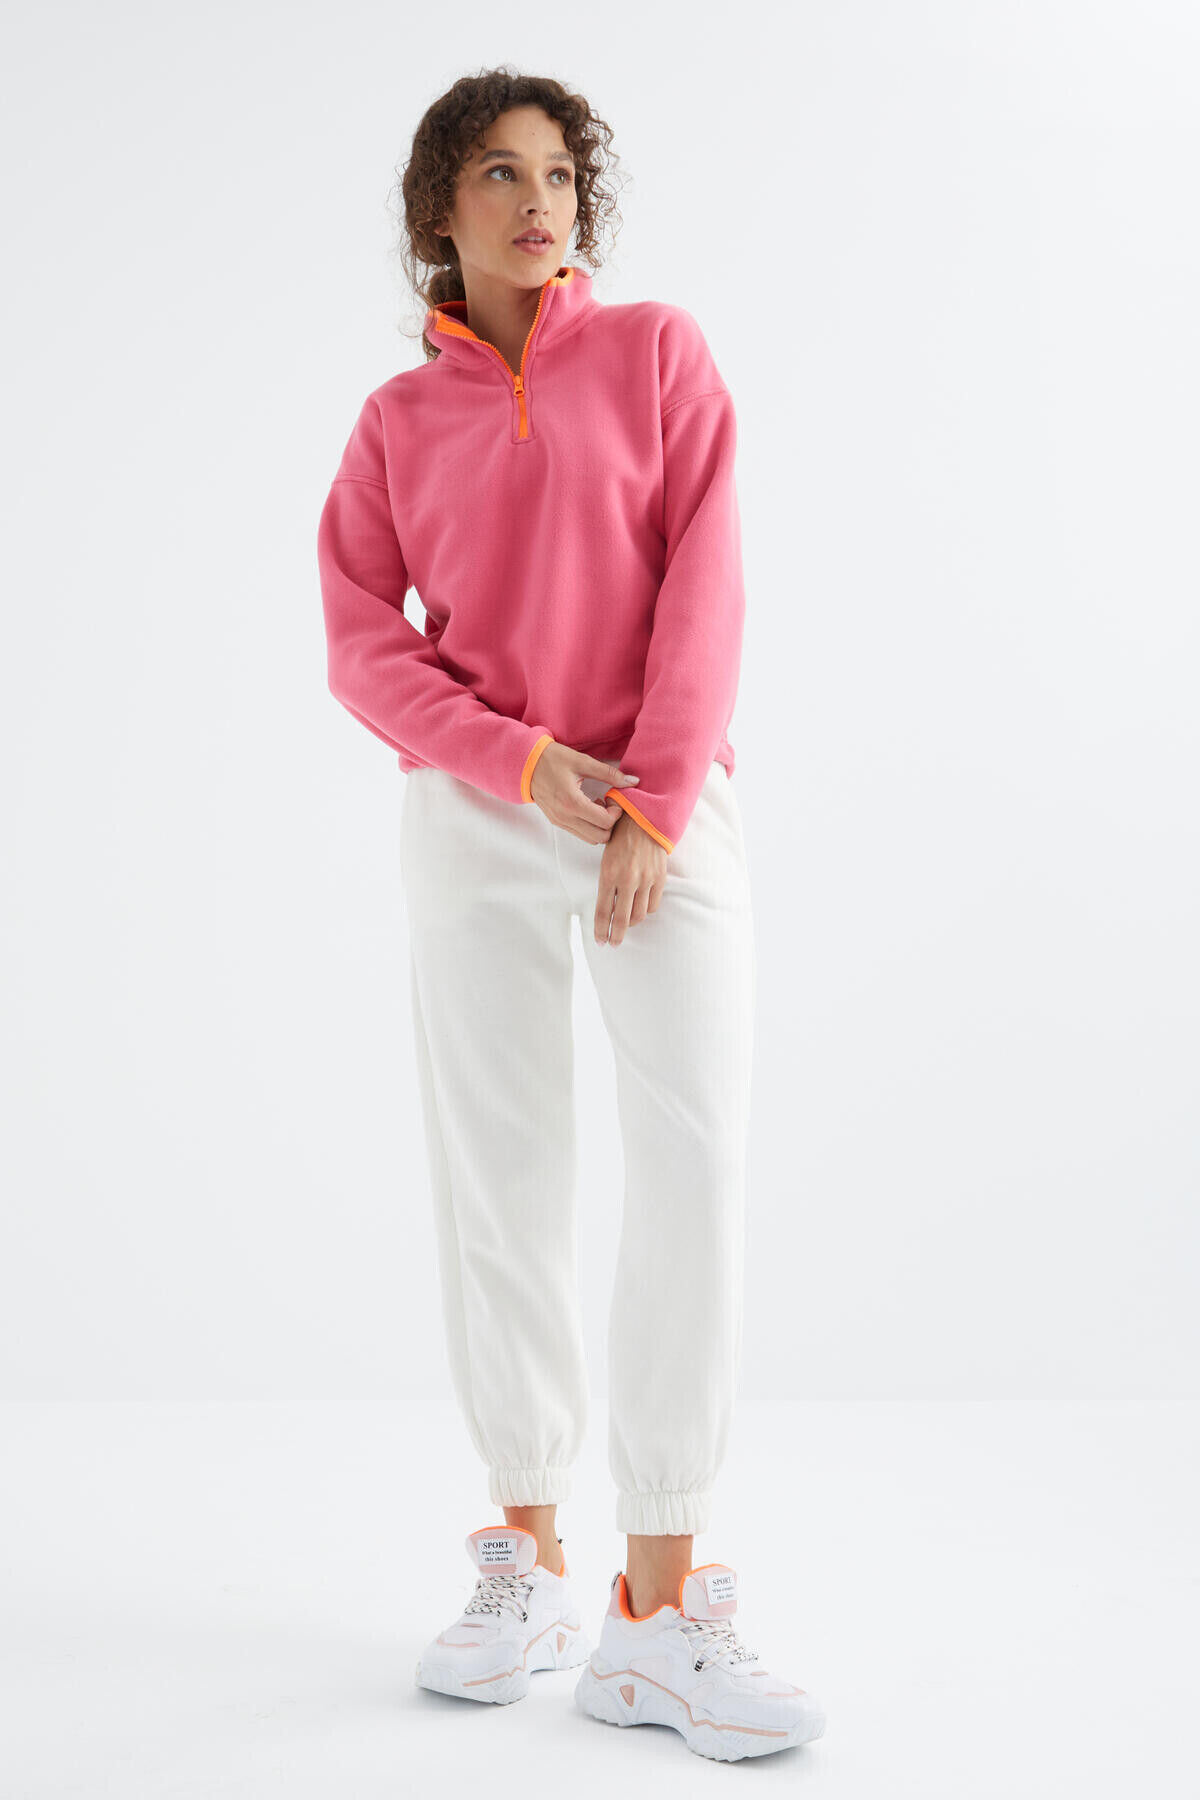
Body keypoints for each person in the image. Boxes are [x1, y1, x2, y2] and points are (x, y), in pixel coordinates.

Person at [316, 69, 825, 1761]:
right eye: (497, 174)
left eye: (558, 173)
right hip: (481, 816)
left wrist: (654, 801)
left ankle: (656, 1611)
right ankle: (525, 1557)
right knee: (502, 1178)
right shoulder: (397, 424)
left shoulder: (661, 354)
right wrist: (520, 765)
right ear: (437, 217)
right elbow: (361, 646)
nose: (538, 200)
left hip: (661, 813)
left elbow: (708, 577)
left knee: (694, 1164)